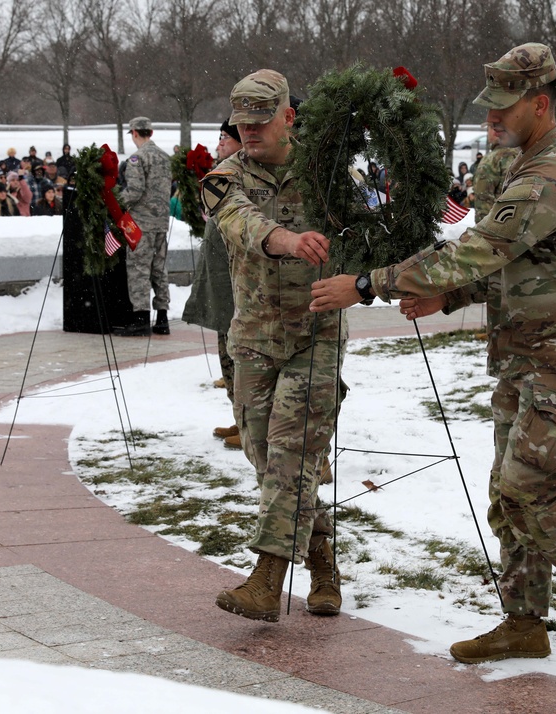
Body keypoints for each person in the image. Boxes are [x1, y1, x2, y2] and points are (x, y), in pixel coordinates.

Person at [310, 43, 556, 664]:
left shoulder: (553, 175)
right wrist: (451, 297)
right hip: (528, 353)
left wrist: (367, 284)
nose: (492, 116)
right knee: (505, 493)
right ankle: (523, 622)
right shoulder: (526, 163)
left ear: (540, 105)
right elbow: (505, 262)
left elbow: (480, 247)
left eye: (504, 106)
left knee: (528, 490)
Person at [202, 69, 344, 623]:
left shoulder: (328, 172)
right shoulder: (223, 177)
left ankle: (266, 579)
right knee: (269, 461)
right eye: (242, 123)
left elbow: (370, 225)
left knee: (293, 456)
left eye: (262, 121)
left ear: (288, 116)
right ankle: (324, 558)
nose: (251, 131)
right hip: (256, 338)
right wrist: (290, 240)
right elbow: (241, 224)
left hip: (316, 336)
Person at [183, 119, 243, 448]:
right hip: (222, 281)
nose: (219, 143)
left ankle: (250, 425)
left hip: (238, 286)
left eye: (224, 138)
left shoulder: (245, 176)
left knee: (240, 356)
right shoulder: (223, 174)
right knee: (228, 355)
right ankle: (241, 419)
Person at [116, 116, 173, 336]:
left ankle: (140, 318)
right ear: (151, 132)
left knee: (139, 269)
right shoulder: (165, 158)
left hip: (141, 224)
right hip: (160, 222)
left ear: (134, 133)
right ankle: (162, 318)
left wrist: (115, 202)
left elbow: (135, 191)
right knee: (159, 269)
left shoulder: (136, 159)